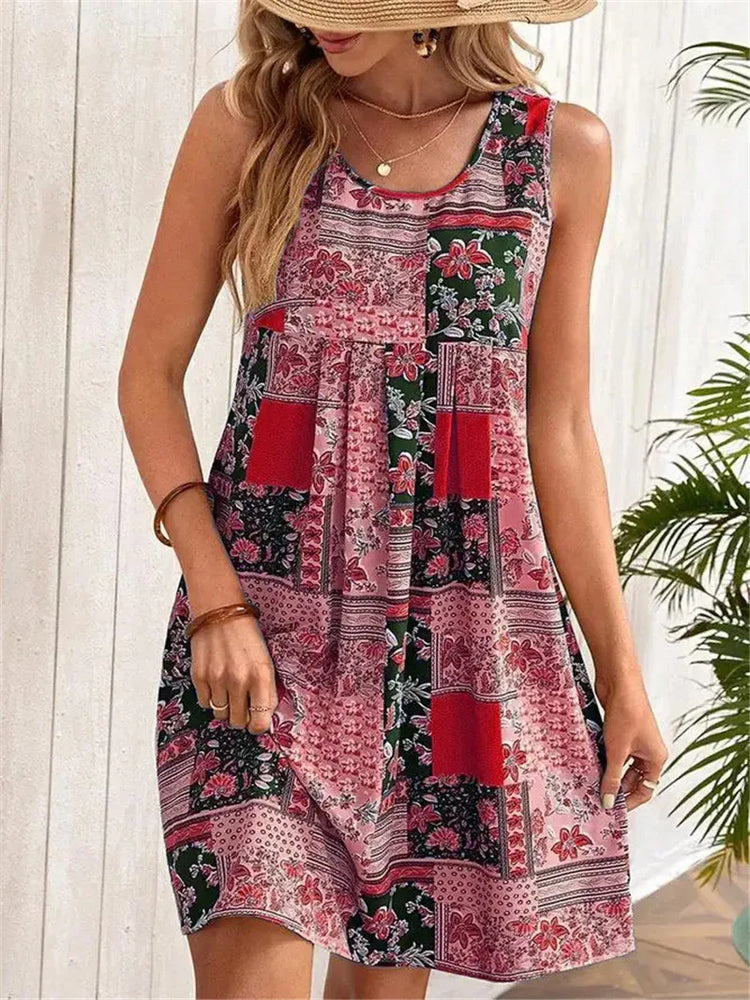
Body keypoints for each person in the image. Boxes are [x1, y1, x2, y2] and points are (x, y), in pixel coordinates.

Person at [118, 1, 670, 997]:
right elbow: (147, 376)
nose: (319, 18)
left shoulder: (558, 152)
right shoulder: (251, 125)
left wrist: (621, 673)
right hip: (262, 642)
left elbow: (559, 429)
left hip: (449, 652)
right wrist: (215, 600)